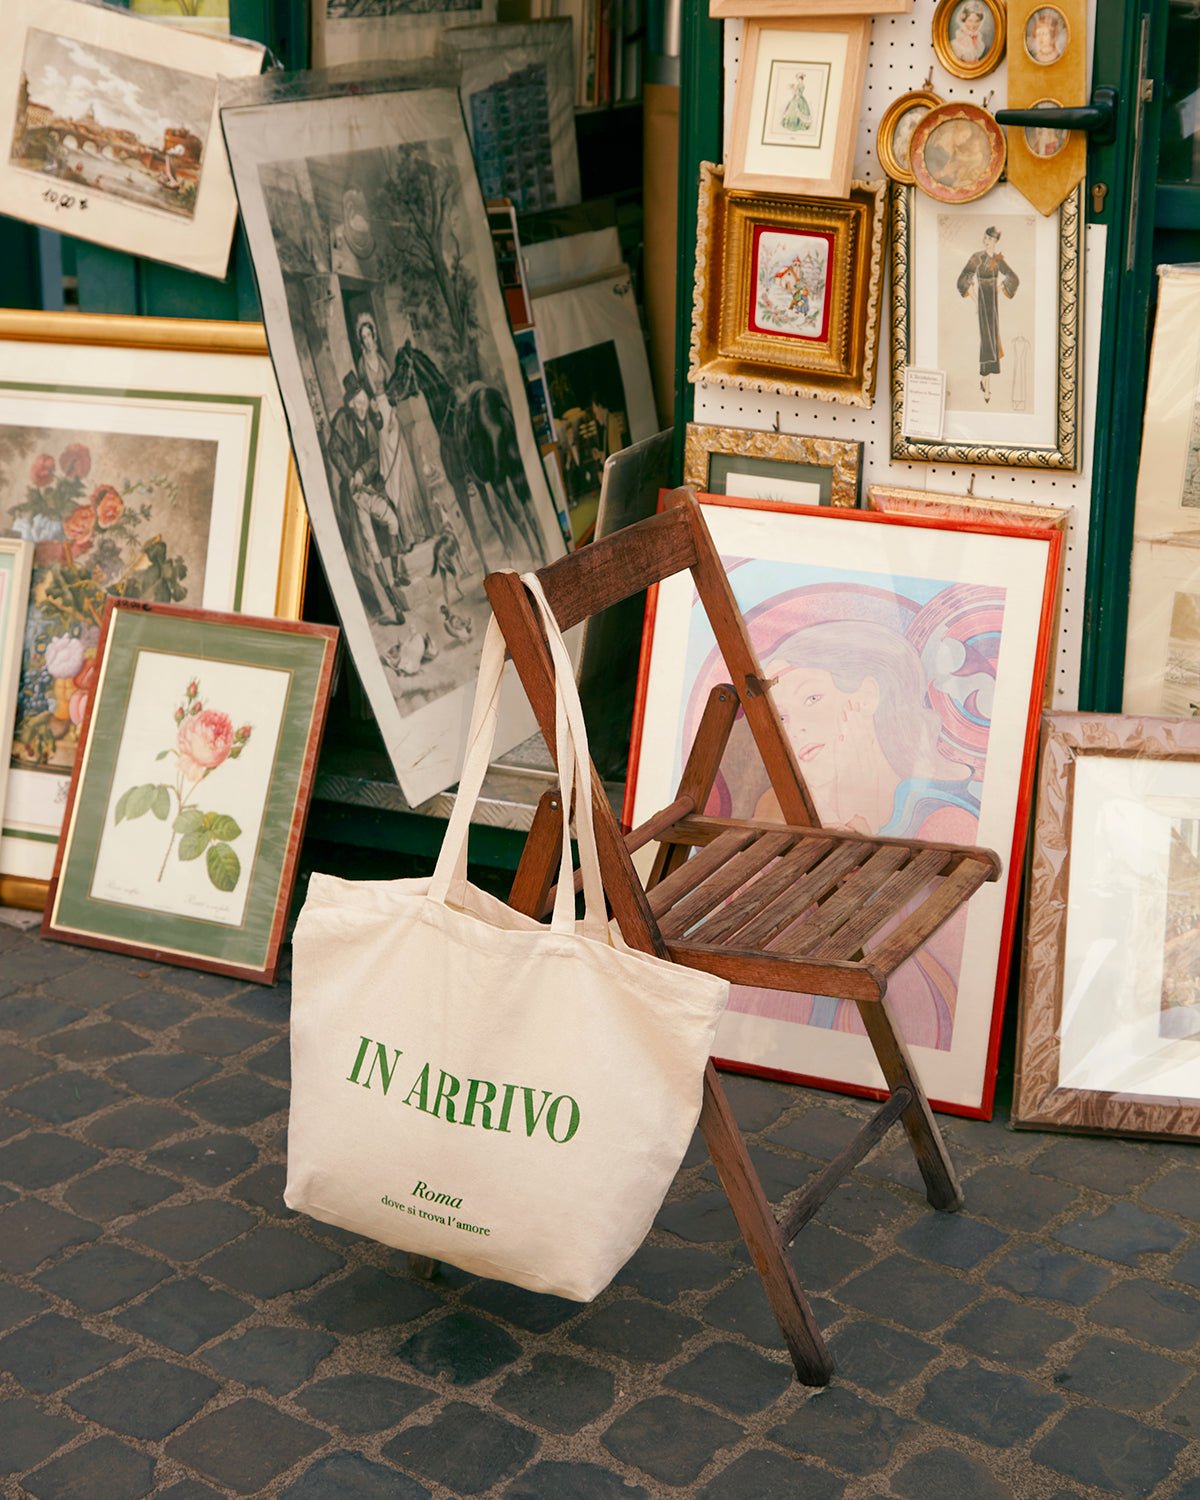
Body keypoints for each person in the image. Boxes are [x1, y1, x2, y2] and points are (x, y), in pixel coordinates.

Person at [748, 618, 981, 1050]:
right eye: (780, 714)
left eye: (812, 698)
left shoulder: (943, 823)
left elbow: (952, 994)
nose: (792, 728)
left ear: (868, 696)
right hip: (780, 1042)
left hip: (902, 1043)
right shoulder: (775, 808)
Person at [327, 370, 408, 622]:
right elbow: (334, 450)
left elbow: (375, 455)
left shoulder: (370, 423)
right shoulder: (342, 421)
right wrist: (350, 474)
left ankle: (395, 578)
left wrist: (363, 472)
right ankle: (391, 600)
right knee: (371, 546)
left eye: (364, 403)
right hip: (355, 496)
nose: (361, 409)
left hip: (371, 487)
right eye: (357, 405)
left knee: (393, 522)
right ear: (351, 405)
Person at [354, 310, 428, 550]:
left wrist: (393, 412)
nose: (368, 340)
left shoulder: (382, 360)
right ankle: (403, 536)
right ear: (361, 340)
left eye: (369, 335)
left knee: (403, 468)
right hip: (377, 420)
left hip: (391, 413)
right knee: (390, 472)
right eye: (363, 337)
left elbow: (393, 388)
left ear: (374, 336)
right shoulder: (362, 364)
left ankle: (417, 529)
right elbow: (363, 393)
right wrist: (372, 403)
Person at [957, 225, 1019, 403]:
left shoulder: (998, 259)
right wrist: (976, 301)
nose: (986, 241)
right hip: (982, 302)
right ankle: (986, 386)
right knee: (986, 342)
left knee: (992, 339)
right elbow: (963, 278)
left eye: (990, 239)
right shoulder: (976, 257)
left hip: (993, 305)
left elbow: (1013, 278)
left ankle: (985, 383)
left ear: (996, 241)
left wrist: (1000, 289)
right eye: (985, 238)